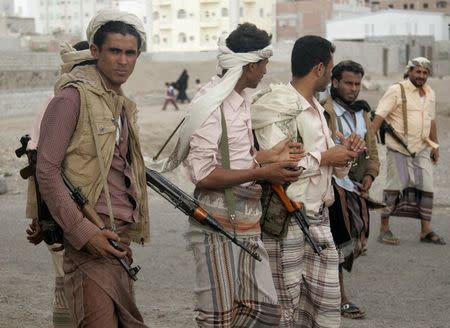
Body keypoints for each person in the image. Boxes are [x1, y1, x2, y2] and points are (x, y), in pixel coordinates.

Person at [181, 23, 304, 326]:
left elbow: (236, 158)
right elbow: (203, 174)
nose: (265, 70)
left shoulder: (241, 99)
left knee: (263, 308)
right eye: (263, 64)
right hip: (215, 223)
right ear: (250, 66)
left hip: (246, 219)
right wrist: (264, 172)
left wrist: (270, 156)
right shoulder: (212, 103)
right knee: (218, 316)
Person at [36, 9, 150, 327]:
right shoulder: (72, 99)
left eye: (131, 53)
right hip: (91, 241)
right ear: (96, 51)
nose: (123, 61)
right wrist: (85, 233)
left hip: (119, 241)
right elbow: (47, 170)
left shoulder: (119, 102)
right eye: (115, 51)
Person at [251, 36, 366, 327]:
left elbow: (337, 172)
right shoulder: (279, 105)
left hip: (320, 220)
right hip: (288, 220)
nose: (330, 74)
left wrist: (347, 154)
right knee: (285, 312)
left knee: (325, 313)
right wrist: (328, 156)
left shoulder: (316, 107)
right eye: (329, 69)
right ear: (319, 68)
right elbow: (282, 168)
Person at [25, 40, 94, 328]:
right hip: (68, 216)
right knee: (73, 290)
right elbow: (41, 168)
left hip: (78, 215)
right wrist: (44, 220)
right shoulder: (65, 103)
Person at [322, 60, 380, 319]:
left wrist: (369, 174)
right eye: (348, 83)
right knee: (336, 242)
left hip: (355, 189)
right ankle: (340, 299)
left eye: (357, 84)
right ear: (335, 82)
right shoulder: (324, 112)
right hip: (331, 187)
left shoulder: (362, 113)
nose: (354, 89)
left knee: (350, 242)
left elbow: (373, 151)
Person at [372, 57, 445, 245]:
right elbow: (379, 116)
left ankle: (425, 231)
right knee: (394, 188)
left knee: (426, 188)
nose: (421, 75)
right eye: (417, 71)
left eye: (425, 72)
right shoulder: (397, 90)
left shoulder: (430, 92)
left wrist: (435, 145)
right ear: (409, 71)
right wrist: (368, 142)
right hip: (398, 148)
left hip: (422, 148)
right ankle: (384, 229)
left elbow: (432, 120)